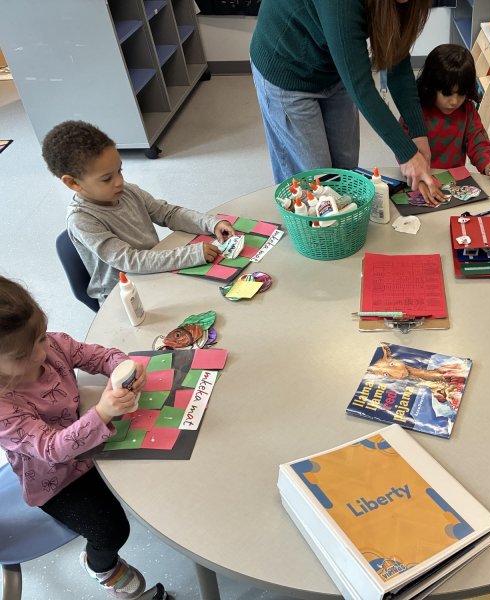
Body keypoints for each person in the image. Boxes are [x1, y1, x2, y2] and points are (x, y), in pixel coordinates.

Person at [0, 276, 160, 598]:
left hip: (91, 446)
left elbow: (98, 355)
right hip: (55, 479)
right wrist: (102, 412)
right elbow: (52, 449)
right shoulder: (4, 407)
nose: (40, 353)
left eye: (41, 336)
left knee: (150, 475)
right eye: (23, 355)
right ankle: (101, 567)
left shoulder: (51, 345)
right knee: (111, 530)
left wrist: (124, 368)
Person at [249, 0, 446, 204]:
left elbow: (396, 58)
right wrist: (407, 154)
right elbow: (361, 88)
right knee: (316, 184)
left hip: (333, 66)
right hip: (287, 67)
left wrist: (418, 134)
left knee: (345, 171)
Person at [42, 120, 234, 304]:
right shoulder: (81, 219)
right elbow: (130, 261)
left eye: (119, 170)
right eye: (107, 178)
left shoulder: (127, 191)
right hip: (124, 294)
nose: (119, 181)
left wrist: (211, 223)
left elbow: (168, 213)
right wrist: (191, 255)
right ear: (73, 183)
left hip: (155, 270)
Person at [402, 44, 490, 183]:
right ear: (431, 86)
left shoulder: (467, 111)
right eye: (447, 93)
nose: (454, 102)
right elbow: (403, 145)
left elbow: (478, 142)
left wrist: (488, 164)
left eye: (461, 94)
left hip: (454, 181)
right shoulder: (416, 111)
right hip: (418, 178)